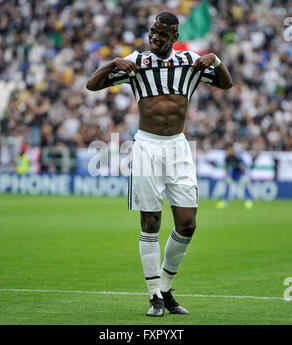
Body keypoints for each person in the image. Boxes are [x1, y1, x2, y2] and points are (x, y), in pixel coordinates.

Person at [86, 12, 232, 317]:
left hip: (178, 147)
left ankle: (165, 287)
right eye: (153, 32)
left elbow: (225, 84)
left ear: (174, 37)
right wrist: (114, 62)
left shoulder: (190, 61)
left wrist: (216, 60)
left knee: (187, 224)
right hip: (147, 145)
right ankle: (154, 294)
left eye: (163, 34)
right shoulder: (137, 61)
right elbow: (92, 85)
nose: (156, 38)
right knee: (150, 222)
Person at [215, 145, 253, 209]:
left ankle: (248, 200)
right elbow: (227, 166)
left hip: (239, 173)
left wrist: (243, 175)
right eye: (228, 150)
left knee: (245, 185)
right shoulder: (227, 158)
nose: (228, 151)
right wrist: (227, 175)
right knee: (227, 185)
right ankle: (225, 201)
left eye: (230, 150)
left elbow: (242, 166)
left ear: (232, 151)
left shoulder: (237, 157)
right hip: (232, 174)